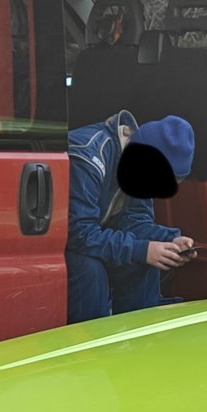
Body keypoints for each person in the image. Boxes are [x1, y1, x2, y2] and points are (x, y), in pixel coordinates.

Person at [66, 110, 197, 323]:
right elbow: (77, 233)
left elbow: (135, 222)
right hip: (49, 246)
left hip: (87, 238)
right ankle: (92, 350)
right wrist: (142, 250)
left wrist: (169, 240)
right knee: (90, 269)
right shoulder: (87, 157)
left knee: (147, 261)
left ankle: (138, 343)